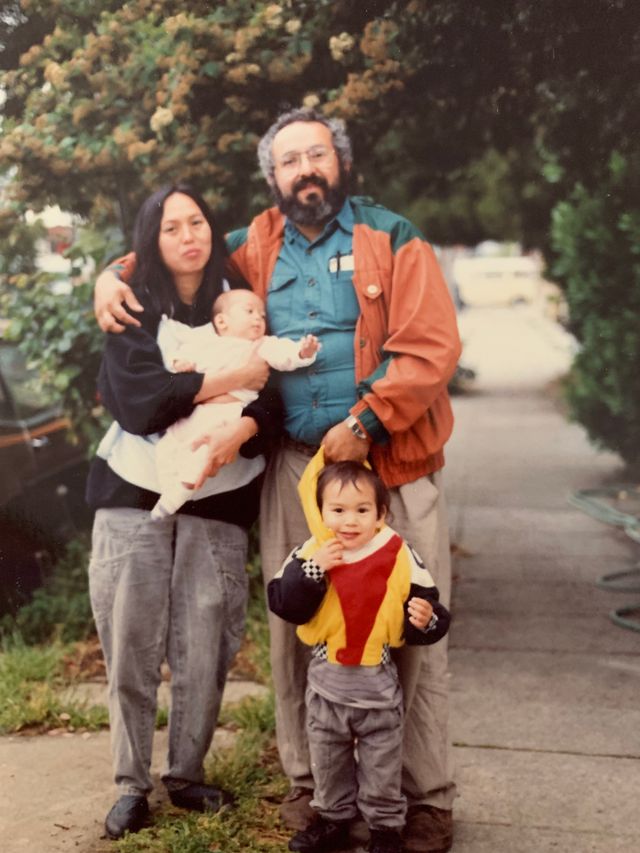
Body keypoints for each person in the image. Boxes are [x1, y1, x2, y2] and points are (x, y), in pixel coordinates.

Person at [94, 107, 462, 853]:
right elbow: (167, 253)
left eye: (316, 155)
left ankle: (424, 798)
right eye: (289, 161)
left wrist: (365, 422)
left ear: (341, 163)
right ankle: (316, 791)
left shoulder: (392, 237)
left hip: (391, 463)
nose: (305, 171)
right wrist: (108, 277)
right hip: (297, 469)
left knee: (414, 624)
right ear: (272, 178)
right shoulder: (252, 245)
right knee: (297, 626)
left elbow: (430, 346)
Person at [86, 183, 279, 840]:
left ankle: (187, 772)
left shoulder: (249, 305)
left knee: (205, 642)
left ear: (212, 229)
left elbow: (277, 399)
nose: (188, 235)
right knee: (130, 644)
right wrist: (232, 379)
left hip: (221, 498)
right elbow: (141, 403)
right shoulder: (134, 308)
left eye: (196, 221)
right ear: (152, 241)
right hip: (133, 495)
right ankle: (128, 783)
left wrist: (244, 404)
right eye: (170, 227)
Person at [268, 456, 451, 853]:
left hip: (377, 687)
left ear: (381, 514)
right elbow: (283, 603)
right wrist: (313, 570)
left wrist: (426, 618)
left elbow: (430, 605)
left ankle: (384, 828)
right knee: (328, 758)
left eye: (361, 510)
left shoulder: (398, 553)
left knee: (382, 762)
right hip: (326, 683)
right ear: (320, 512)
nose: (349, 521)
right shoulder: (311, 552)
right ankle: (333, 819)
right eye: (337, 510)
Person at [151, 289, 319, 518]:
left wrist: (302, 351)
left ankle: (176, 496)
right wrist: (182, 363)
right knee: (167, 447)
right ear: (221, 321)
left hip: (228, 412)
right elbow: (183, 355)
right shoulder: (207, 343)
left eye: (262, 315)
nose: (257, 319)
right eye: (249, 312)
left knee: (202, 453)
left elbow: (285, 355)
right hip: (198, 410)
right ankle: (168, 487)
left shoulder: (262, 345)